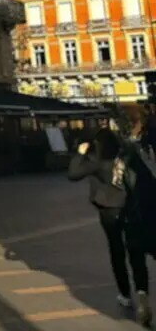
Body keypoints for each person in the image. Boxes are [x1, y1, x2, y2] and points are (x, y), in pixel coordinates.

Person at [69, 127, 150, 322]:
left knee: (116, 251)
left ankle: (125, 294)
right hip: (131, 209)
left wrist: (80, 153)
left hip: (109, 211)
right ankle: (142, 291)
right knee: (136, 252)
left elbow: (73, 173)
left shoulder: (97, 162)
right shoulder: (127, 157)